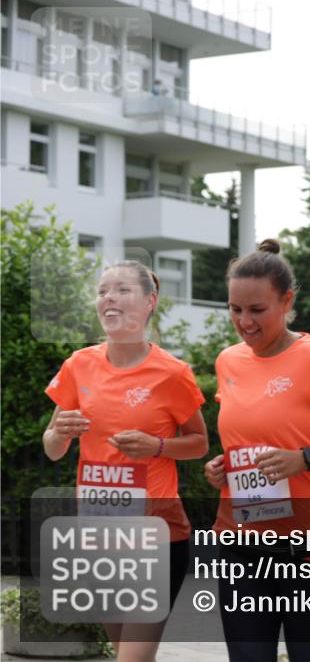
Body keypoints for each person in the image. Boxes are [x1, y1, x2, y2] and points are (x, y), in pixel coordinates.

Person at [202, 239, 310, 662]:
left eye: (257, 310)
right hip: (241, 548)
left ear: (287, 300)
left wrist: (304, 459)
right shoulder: (228, 362)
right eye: (235, 309)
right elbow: (244, 439)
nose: (244, 321)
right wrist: (221, 468)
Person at [43, 260, 208, 662]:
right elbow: (52, 447)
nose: (108, 299)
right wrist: (60, 432)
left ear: (149, 302)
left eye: (120, 290)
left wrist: (157, 447)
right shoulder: (78, 364)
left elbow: (200, 443)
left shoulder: (172, 373)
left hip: (155, 535)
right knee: (124, 653)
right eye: (102, 291)